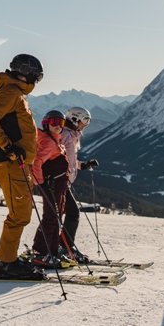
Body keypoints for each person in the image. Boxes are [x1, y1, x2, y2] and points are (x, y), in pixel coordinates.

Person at [0, 53, 44, 278]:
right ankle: (6, 263)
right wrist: (8, 147)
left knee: (21, 214)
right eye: (36, 77)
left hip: (18, 165)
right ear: (25, 74)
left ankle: (7, 259)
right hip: (11, 164)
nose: (36, 82)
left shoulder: (15, 94)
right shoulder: (11, 92)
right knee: (19, 215)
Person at [29, 110, 70, 268]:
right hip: (50, 186)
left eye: (61, 123)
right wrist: (41, 182)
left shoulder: (53, 139)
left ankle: (51, 251)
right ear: (46, 124)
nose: (58, 126)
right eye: (54, 122)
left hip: (55, 185)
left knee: (55, 217)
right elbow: (37, 162)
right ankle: (40, 252)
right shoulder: (48, 142)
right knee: (51, 217)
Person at [58, 106, 98, 262]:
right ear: (74, 119)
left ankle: (62, 246)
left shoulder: (72, 134)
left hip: (63, 179)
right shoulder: (65, 135)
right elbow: (58, 157)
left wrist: (83, 165)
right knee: (72, 213)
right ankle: (64, 247)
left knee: (62, 214)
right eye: (84, 121)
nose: (85, 125)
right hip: (59, 180)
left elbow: (70, 160)